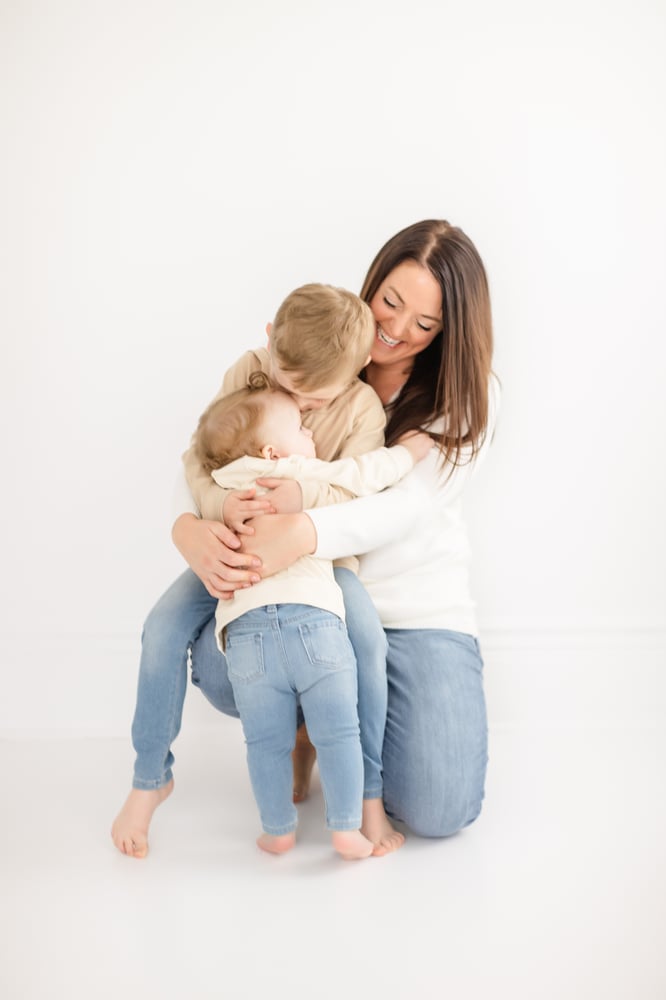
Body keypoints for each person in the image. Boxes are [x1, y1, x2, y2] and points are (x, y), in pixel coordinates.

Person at [112, 283, 402, 858]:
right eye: (288, 388)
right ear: (270, 342)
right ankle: (150, 779)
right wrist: (215, 515)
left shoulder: (362, 407)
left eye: (315, 399)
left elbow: (360, 491)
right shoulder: (249, 370)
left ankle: (368, 793)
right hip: (233, 543)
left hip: (313, 559)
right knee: (163, 627)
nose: (301, 405)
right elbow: (202, 456)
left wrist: (299, 497)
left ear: (359, 368)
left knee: (366, 638)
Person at [193, 373, 431, 856]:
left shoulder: (222, 490)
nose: (312, 434)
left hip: (246, 638)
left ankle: (277, 829)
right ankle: (346, 826)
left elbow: (194, 495)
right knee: (339, 728)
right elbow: (366, 474)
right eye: (301, 427)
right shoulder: (299, 474)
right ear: (271, 454)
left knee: (264, 742)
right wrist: (413, 451)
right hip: (315, 625)